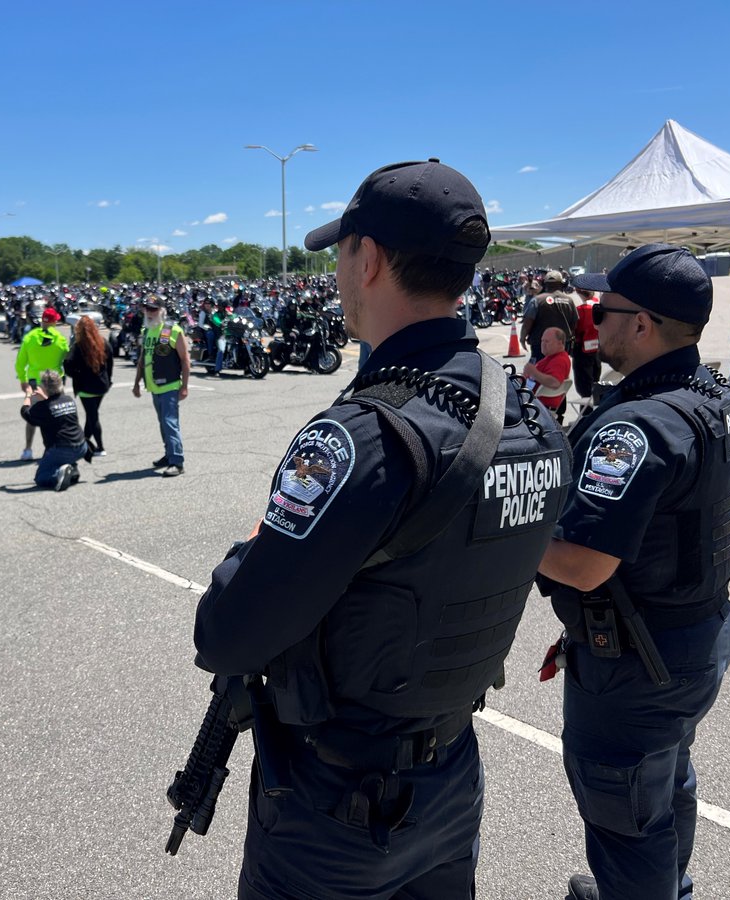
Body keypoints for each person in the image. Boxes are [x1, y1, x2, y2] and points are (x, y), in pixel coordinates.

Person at [193, 160, 570, 899]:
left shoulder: (365, 437)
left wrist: (259, 537)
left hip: (335, 802)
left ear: (367, 259)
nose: (337, 274)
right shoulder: (534, 419)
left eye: (341, 254)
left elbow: (226, 635)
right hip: (451, 775)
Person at [536, 244, 730, 900]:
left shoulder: (638, 428)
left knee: (624, 813)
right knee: (664, 780)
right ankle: (666, 889)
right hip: (695, 635)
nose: (591, 322)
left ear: (644, 325)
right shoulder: (715, 398)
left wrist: (511, 532)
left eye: (604, 311)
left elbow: (583, 563)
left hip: (637, 660)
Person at [132, 296, 190, 477]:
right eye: (147, 309)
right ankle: (169, 454)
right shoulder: (147, 331)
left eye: (153, 309)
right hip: (154, 387)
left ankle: (177, 461)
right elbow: (143, 359)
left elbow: (185, 359)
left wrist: (185, 386)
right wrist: (136, 383)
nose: (149, 312)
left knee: (169, 423)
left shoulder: (172, 330)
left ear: (162, 311)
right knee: (163, 423)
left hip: (170, 386)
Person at [15, 307, 69, 461]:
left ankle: (28, 449)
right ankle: (57, 447)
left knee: (32, 416)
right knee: (58, 416)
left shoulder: (30, 337)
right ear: (55, 321)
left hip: (35, 382)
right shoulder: (60, 338)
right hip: (55, 383)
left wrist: (23, 380)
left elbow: (20, 363)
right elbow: (67, 358)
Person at [20, 369, 86, 491]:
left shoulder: (43, 407)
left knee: (41, 477)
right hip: (81, 446)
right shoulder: (68, 399)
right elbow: (54, 407)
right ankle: (72, 466)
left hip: (62, 448)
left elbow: (25, 412)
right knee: (55, 456)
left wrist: (29, 394)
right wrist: (44, 397)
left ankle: (58, 476)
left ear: (44, 387)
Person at [63, 315, 113, 462]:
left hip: (86, 387)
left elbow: (67, 365)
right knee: (92, 415)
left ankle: (100, 447)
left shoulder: (78, 346)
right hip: (101, 385)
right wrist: (108, 380)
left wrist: (76, 375)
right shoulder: (103, 342)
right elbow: (110, 364)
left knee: (92, 416)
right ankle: (84, 443)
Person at [522, 270, 578, 361]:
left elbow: (528, 321)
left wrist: (522, 338)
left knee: (540, 370)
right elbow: (574, 323)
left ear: (545, 284)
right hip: (562, 344)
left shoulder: (537, 300)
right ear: (561, 284)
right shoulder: (569, 300)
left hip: (540, 344)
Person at [523, 326, 573, 422]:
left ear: (560, 343)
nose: (543, 344)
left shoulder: (559, 360)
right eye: (542, 341)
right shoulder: (552, 357)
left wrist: (533, 372)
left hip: (538, 406)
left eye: (547, 342)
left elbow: (554, 383)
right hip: (535, 402)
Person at [571, 287, 602, 400]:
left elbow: (576, 328)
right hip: (596, 346)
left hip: (582, 348)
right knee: (595, 378)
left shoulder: (581, 309)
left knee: (584, 386)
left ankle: (586, 412)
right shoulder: (598, 305)